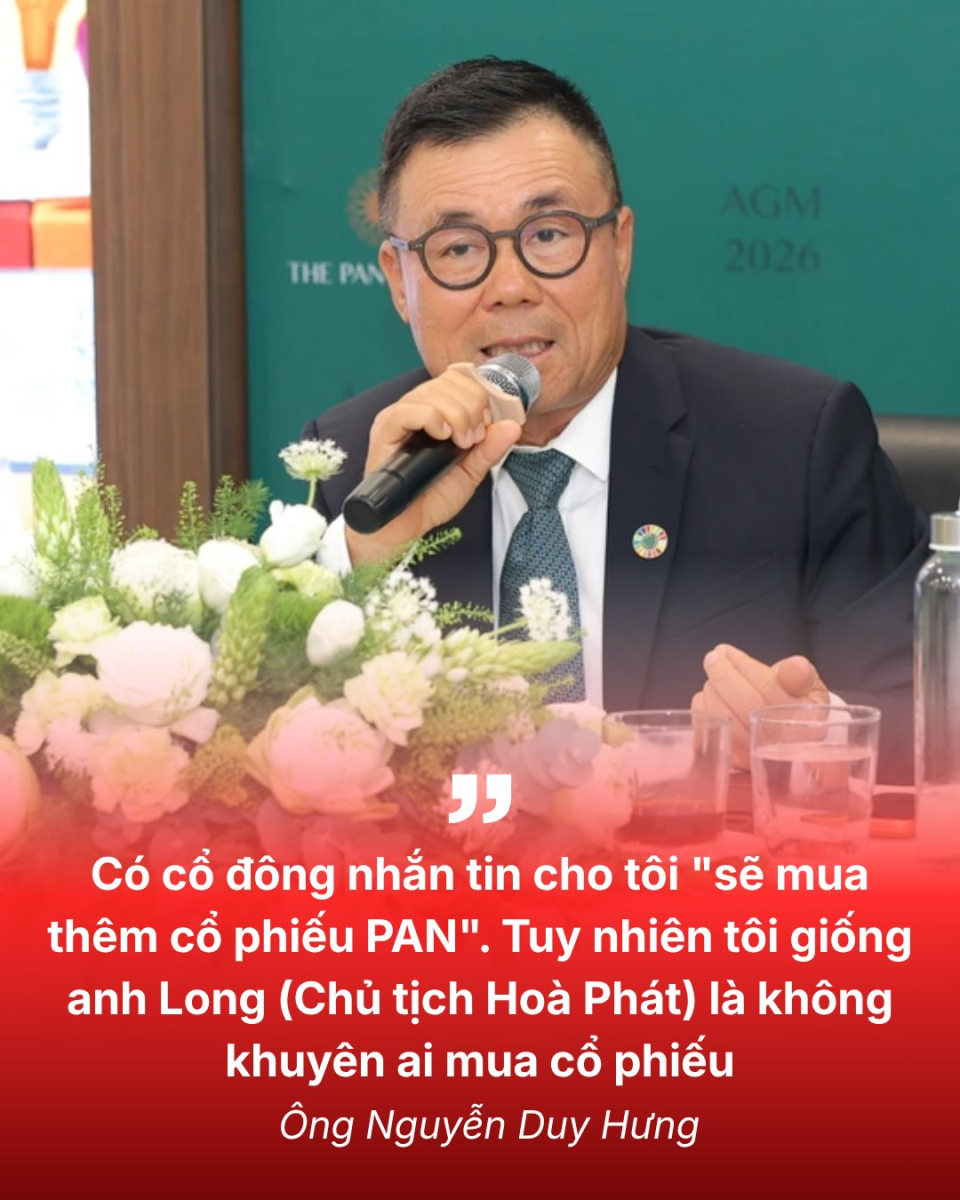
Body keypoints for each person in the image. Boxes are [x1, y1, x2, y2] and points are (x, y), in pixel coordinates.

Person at [303, 57, 926, 778]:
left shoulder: (797, 443)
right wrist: (372, 561)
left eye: (549, 234)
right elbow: (267, 760)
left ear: (620, 247)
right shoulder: (360, 466)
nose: (510, 287)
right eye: (460, 249)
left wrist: (818, 736)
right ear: (398, 282)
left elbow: (924, 727)